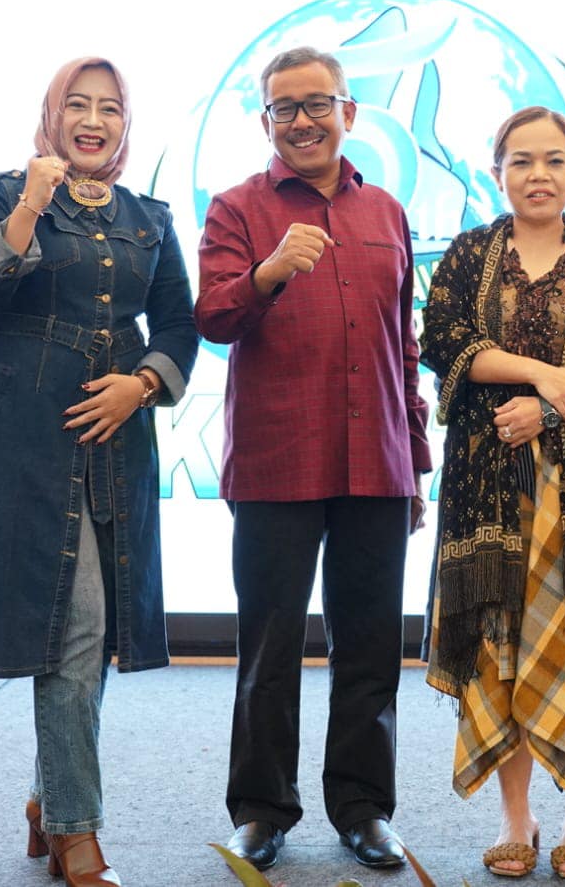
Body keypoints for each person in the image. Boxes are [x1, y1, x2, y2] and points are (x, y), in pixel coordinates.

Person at [0, 57, 198, 887]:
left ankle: (45, 796)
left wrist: (143, 383)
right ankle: (76, 829)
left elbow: (179, 324)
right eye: (78, 105)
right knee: (77, 623)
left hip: (117, 437)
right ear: (51, 115)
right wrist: (30, 201)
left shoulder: (150, 217)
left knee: (88, 629)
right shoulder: (1, 192)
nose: (94, 120)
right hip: (22, 437)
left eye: (110, 108)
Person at [195, 45, 431, 873]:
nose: (302, 120)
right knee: (269, 648)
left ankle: (364, 809)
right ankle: (262, 811)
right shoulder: (236, 208)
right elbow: (213, 317)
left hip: (378, 460)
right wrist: (267, 273)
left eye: (317, 103)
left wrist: (415, 458)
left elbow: (403, 344)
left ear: (348, 112)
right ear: (266, 120)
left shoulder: (388, 211)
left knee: (370, 646)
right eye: (285, 107)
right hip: (277, 460)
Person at [421, 107, 565, 880]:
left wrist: (548, 406)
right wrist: (540, 373)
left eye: (554, 160)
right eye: (521, 161)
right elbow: (445, 343)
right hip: (485, 487)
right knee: (500, 645)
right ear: (497, 173)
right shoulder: (468, 254)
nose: (539, 174)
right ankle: (515, 816)